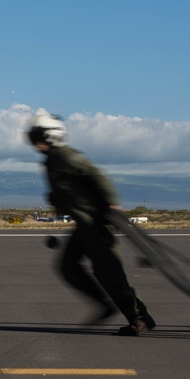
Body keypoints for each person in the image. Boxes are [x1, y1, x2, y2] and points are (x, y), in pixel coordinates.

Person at [26, 112, 155, 336]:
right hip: (83, 226)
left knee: (110, 275)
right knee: (68, 267)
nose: (34, 142)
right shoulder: (52, 160)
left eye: (38, 136)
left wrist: (112, 205)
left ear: (51, 136)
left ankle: (139, 318)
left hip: (96, 224)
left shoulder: (67, 157)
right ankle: (105, 305)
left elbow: (97, 177)